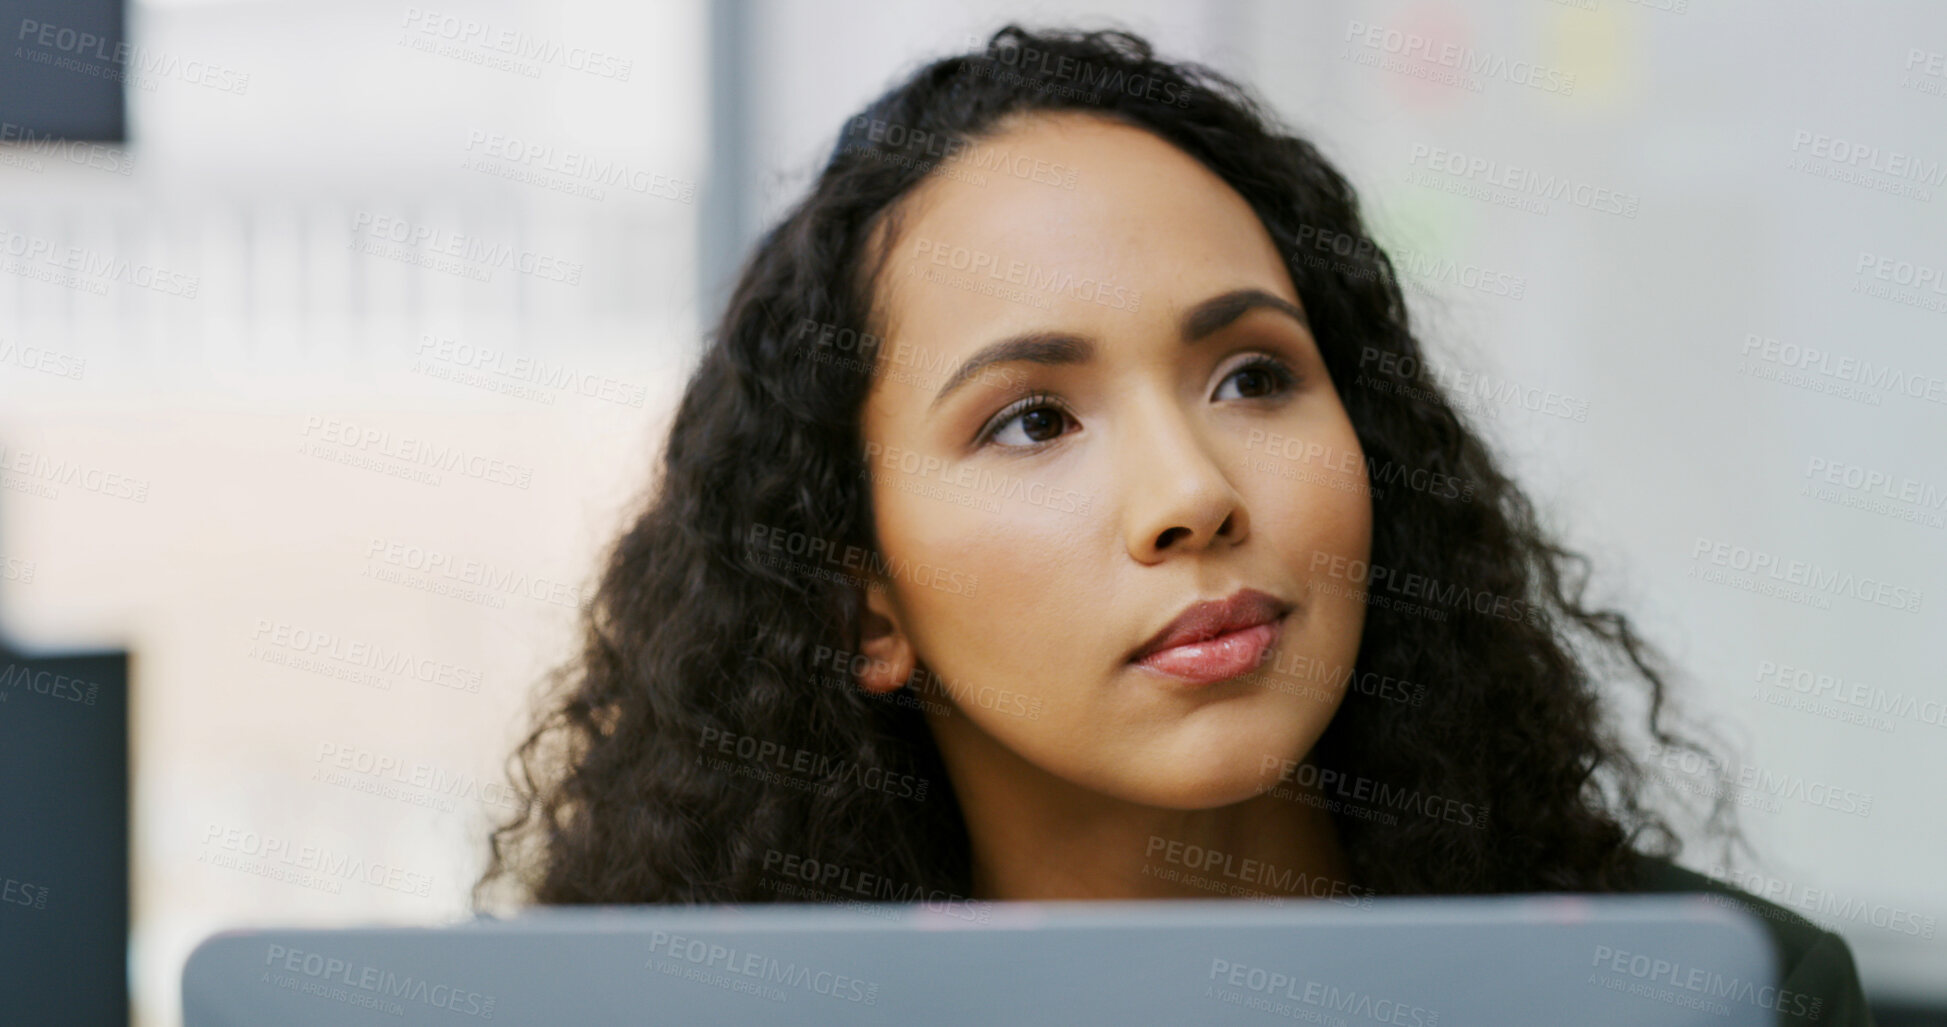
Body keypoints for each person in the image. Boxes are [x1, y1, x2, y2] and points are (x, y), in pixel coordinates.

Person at [478, 24, 1874, 1024]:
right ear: (865, 606)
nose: (1194, 494)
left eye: (1253, 375)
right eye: (1033, 419)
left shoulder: (1715, 995)